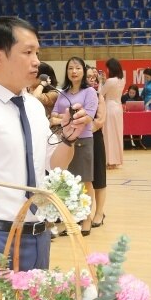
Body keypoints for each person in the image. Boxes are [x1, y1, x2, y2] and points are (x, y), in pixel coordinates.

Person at [0, 16, 90, 271]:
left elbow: (54, 165)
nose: (36, 61)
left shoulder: (33, 106)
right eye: (28, 52)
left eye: (37, 52)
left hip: (39, 235)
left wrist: (69, 136)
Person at [52, 57, 99, 236]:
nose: (74, 71)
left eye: (77, 68)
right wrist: (65, 119)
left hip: (83, 140)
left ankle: (86, 218)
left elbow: (89, 116)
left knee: (86, 181)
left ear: (83, 71)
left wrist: (66, 119)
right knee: (67, 183)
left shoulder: (89, 92)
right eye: (70, 68)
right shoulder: (63, 92)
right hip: (63, 141)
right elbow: (53, 116)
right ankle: (70, 220)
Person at [87, 66, 108, 229]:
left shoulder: (97, 95)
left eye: (93, 77)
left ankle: (99, 212)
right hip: (77, 140)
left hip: (94, 138)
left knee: (98, 177)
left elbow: (99, 121)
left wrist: (80, 127)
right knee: (83, 180)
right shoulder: (74, 94)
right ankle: (84, 214)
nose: (91, 79)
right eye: (88, 76)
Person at [102, 58, 124, 168]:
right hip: (118, 107)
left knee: (109, 134)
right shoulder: (122, 79)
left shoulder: (110, 81)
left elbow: (101, 93)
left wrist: (102, 82)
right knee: (117, 134)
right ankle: (116, 159)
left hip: (109, 107)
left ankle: (110, 160)